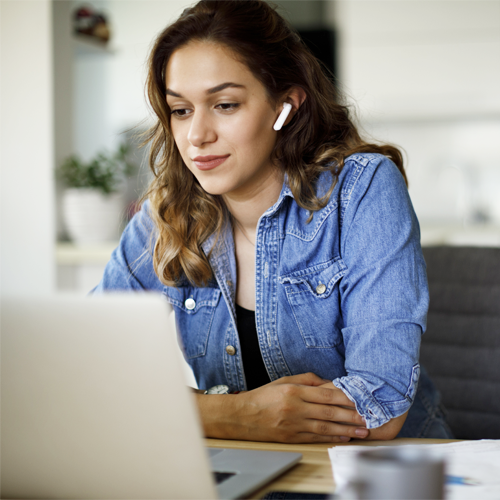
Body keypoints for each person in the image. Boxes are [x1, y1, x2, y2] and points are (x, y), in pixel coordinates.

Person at [93, 0, 452, 443]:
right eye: (181, 110)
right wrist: (230, 414)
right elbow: (87, 367)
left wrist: (182, 410)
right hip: (245, 467)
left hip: (377, 475)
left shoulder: (362, 190)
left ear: (286, 105)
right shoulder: (168, 214)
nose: (196, 135)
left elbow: (379, 407)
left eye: (224, 105)